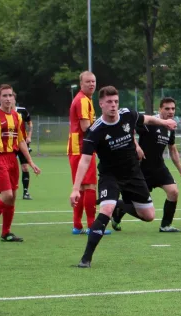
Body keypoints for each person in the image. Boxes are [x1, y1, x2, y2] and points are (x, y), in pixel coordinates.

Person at [69, 86, 177, 268]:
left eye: (116, 102)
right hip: (110, 175)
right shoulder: (95, 131)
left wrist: (164, 123)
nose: (113, 106)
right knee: (106, 209)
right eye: (109, 102)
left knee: (149, 216)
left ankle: (121, 206)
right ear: (101, 104)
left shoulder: (128, 115)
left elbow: (147, 119)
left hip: (133, 174)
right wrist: (75, 188)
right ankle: (85, 259)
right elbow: (85, 161)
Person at [112, 97, 181, 232]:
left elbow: (172, 149)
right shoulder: (149, 122)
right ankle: (118, 208)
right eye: (167, 108)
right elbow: (128, 131)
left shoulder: (170, 127)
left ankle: (165, 225)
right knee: (134, 204)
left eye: (173, 108)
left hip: (159, 168)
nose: (171, 111)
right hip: (142, 169)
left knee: (174, 192)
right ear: (160, 109)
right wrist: (137, 146)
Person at [0, 84, 41, 244]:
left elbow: (20, 140)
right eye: (4, 96)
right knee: (6, 195)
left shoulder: (17, 117)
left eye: (10, 95)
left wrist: (31, 162)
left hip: (12, 159)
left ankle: (6, 232)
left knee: (12, 198)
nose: (8, 99)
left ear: (14, 98)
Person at [68, 71, 108, 235]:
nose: (91, 84)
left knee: (83, 187)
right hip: (82, 147)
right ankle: (92, 226)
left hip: (78, 147)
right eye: (88, 82)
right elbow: (86, 128)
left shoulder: (85, 99)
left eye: (93, 81)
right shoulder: (83, 100)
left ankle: (77, 225)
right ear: (81, 84)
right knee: (90, 185)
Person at [13, 97, 34, 200]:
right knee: (9, 168)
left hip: (23, 143)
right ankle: (10, 190)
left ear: (14, 99)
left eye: (11, 97)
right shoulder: (2, 113)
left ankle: (26, 192)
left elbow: (30, 123)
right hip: (10, 144)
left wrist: (29, 136)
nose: (9, 99)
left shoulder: (22, 111)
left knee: (25, 167)